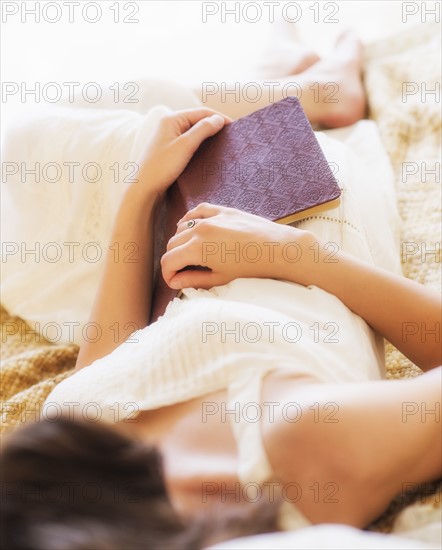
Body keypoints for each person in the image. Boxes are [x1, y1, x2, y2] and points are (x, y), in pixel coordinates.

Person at [1, 33, 441, 550]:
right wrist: (288, 253)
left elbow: (98, 377)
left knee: (52, 134)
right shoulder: (299, 450)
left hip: (177, 232)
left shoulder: (74, 469)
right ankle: (316, 92)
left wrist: (140, 191)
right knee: (62, 127)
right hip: (298, 209)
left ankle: (310, 87)